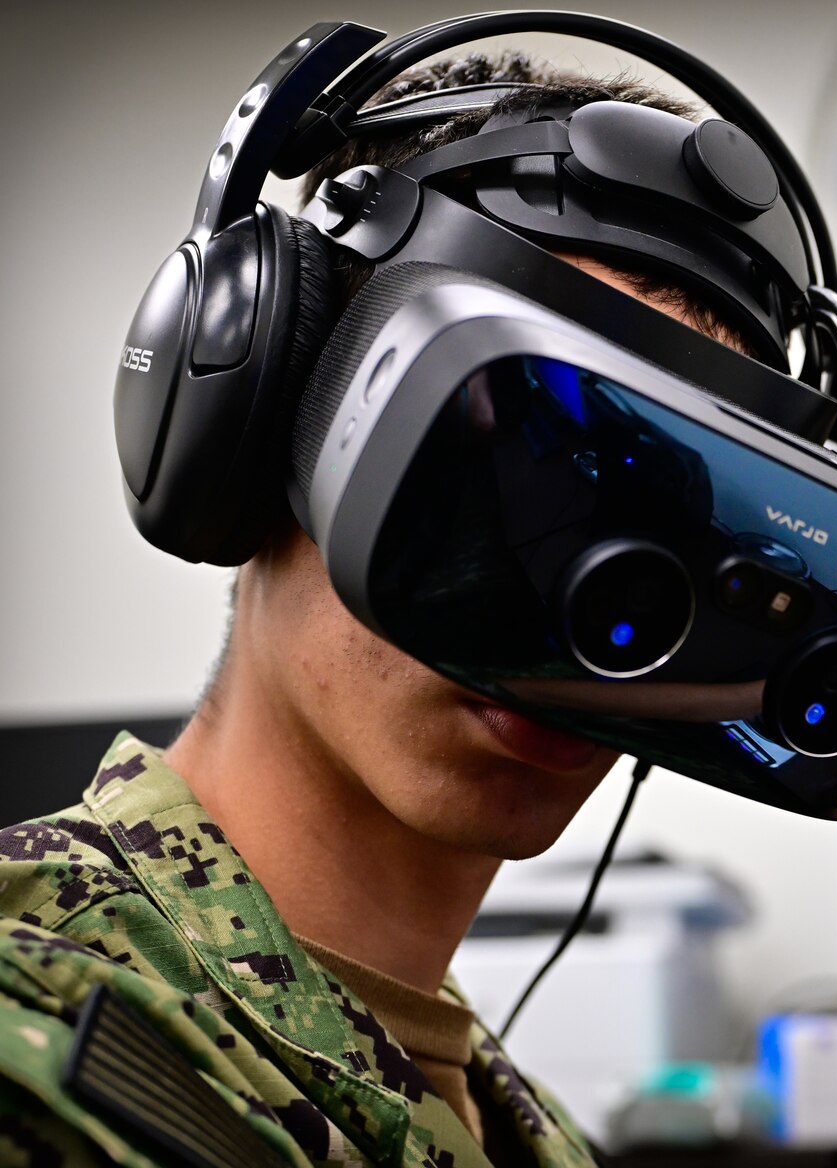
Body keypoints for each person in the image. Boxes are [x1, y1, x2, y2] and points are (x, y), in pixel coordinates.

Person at [0, 46, 773, 1168]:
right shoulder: (37, 1031)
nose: (570, 608)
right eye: (502, 465)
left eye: (666, 541)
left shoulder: (523, 1130)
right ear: (266, 420)